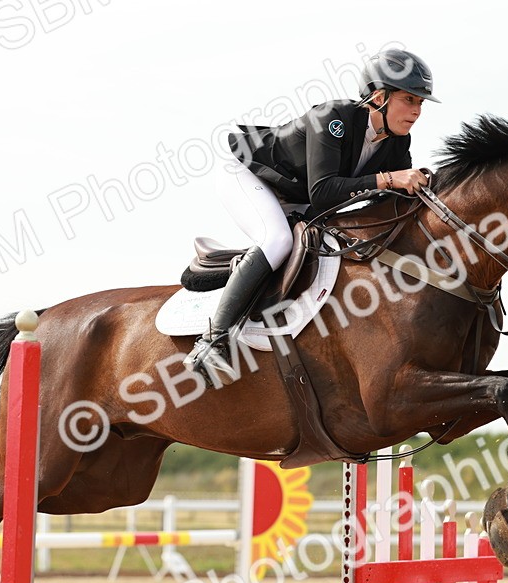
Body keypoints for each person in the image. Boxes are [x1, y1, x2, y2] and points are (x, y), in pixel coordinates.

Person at [183, 48, 440, 386]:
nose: (417, 111)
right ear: (379, 96)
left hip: (299, 199)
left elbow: (392, 200)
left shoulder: (397, 143)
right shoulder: (334, 118)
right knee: (277, 241)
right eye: (410, 99)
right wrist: (390, 179)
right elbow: (323, 190)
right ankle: (211, 342)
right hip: (249, 174)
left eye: (421, 103)